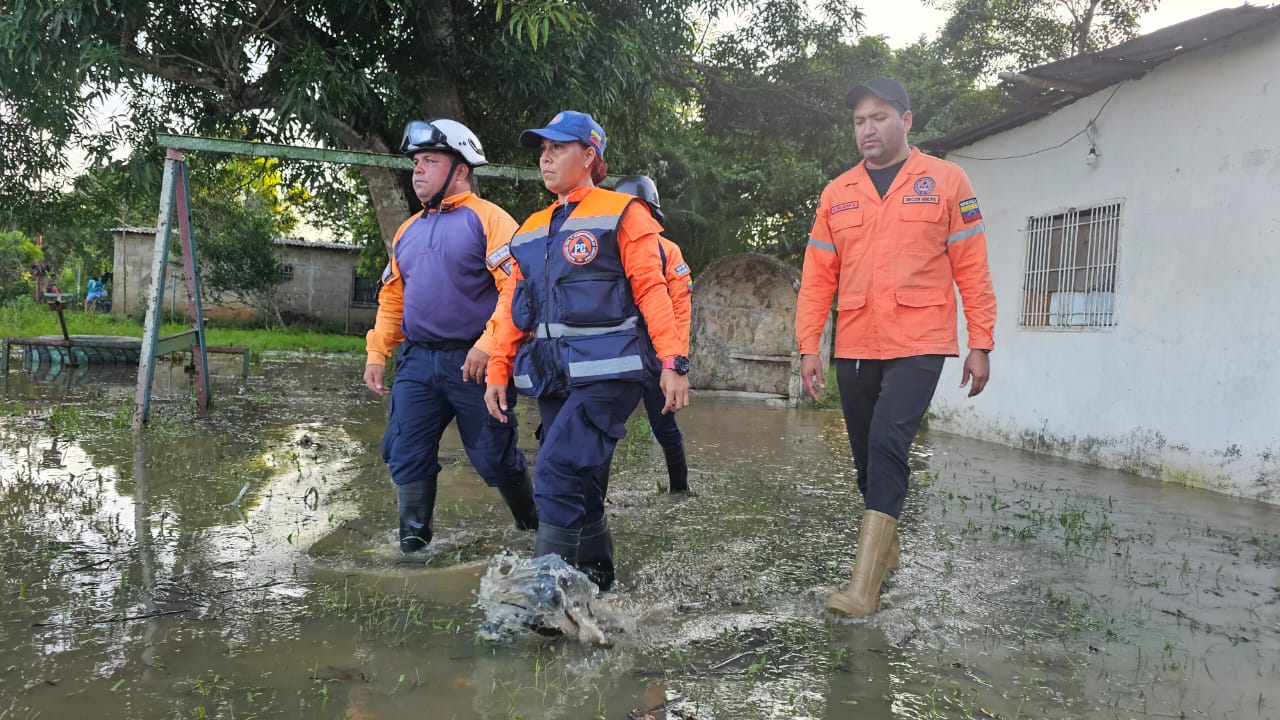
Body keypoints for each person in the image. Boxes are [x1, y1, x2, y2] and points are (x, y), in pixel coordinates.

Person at [795, 77, 996, 618]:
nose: (868, 129)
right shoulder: (838, 193)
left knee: (887, 440)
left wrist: (981, 341)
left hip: (920, 340)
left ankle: (862, 592)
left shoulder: (947, 181)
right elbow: (818, 276)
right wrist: (809, 345)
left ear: (906, 121)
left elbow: (971, 267)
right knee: (864, 457)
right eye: (860, 121)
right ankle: (886, 557)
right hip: (857, 339)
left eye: (880, 117)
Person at [483, 111, 690, 591]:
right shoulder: (530, 230)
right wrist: (498, 369)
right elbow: (516, 306)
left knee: (554, 471)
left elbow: (654, 292)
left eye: (558, 147)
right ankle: (598, 581)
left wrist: (673, 362)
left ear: (589, 154)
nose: (546, 156)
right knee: (585, 482)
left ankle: (543, 602)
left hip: (610, 373)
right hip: (554, 375)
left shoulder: (622, 212)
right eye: (542, 149)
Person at [364, 118, 537, 554]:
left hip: (476, 363)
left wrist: (487, 344)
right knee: (405, 451)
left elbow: (515, 289)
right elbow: (393, 299)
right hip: (418, 363)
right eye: (416, 162)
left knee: (494, 459)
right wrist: (377, 352)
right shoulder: (408, 230)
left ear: (460, 169)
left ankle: (533, 526)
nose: (417, 170)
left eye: (430, 161)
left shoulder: (490, 219)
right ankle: (414, 549)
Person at [613, 175, 693, 493]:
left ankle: (680, 490)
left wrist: (675, 363)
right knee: (600, 429)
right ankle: (591, 510)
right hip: (615, 350)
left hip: (657, 349)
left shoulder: (668, 251)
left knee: (664, 426)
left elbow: (680, 310)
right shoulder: (604, 248)